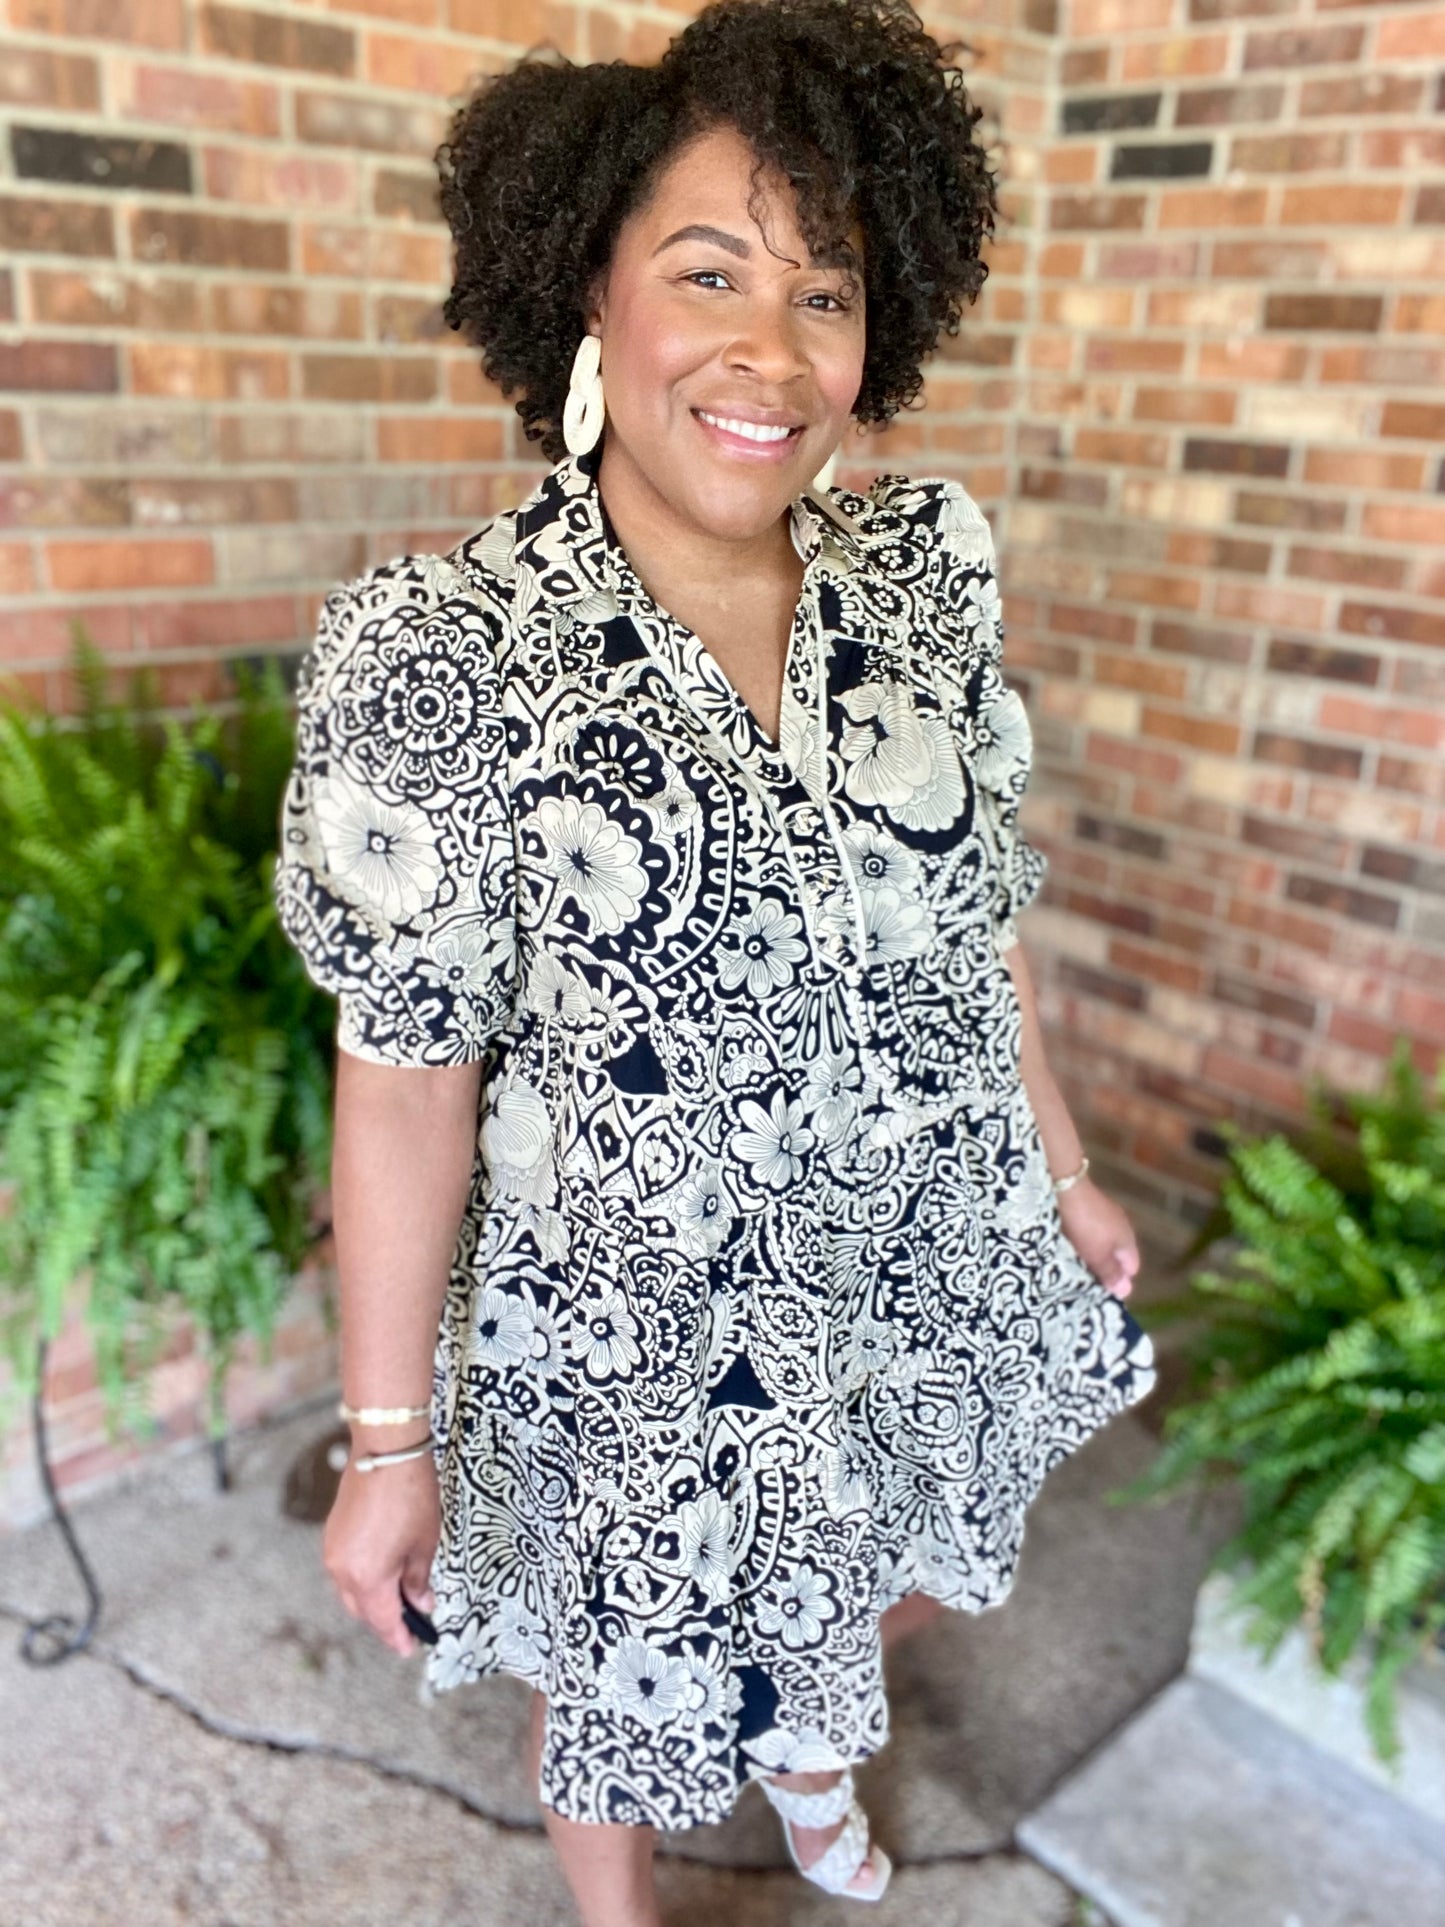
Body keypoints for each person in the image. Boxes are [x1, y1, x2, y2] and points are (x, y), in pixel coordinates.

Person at [272, 2, 1157, 1920]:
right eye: (708, 274)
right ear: (588, 291)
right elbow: (406, 1082)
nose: (773, 349)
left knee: (865, 1557)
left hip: (900, 1248)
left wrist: (1062, 1167)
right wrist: (387, 1442)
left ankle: (811, 1759)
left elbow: (970, 927)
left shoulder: (916, 577)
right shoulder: (445, 653)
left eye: (825, 293)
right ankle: (617, 1911)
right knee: (615, 1668)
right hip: (634, 1331)